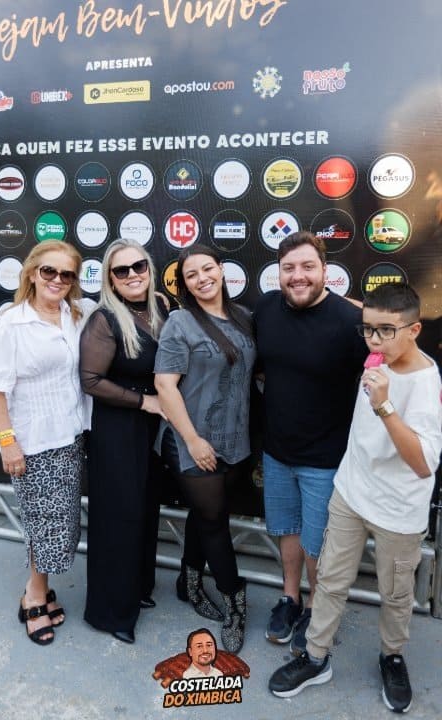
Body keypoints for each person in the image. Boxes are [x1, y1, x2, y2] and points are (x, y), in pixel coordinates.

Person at [268, 283, 442, 713]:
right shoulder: (379, 345)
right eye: (367, 330)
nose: (374, 341)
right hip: (350, 492)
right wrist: (322, 288)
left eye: (386, 331)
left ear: (415, 330)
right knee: (328, 579)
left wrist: (384, 406)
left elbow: (424, 464)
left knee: (396, 593)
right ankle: (316, 657)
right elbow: (375, 314)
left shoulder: (425, 380)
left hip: (399, 509)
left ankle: (391, 656)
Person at [254, 231, 367, 655]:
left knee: (319, 544)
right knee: (287, 530)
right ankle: (291, 598)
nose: (297, 276)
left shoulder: (351, 321)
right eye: (288, 268)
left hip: (326, 458)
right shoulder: (266, 308)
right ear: (278, 273)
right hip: (277, 452)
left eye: (307, 267)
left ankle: (319, 609)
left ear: (325, 271)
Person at [0, 241, 92, 646]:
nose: (57, 280)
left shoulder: (77, 314)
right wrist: (8, 442)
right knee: (42, 524)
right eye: (49, 271)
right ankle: (34, 596)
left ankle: (39, 588)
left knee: (60, 522)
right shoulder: (10, 325)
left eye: (67, 274)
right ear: (31, 273)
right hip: (32, 442)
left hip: (70, 435)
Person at [154, 244, 256, 654]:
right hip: (189, 440)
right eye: (191, 275)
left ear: (221, 270)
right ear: (183, 283)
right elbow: (164, 386)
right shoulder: (180, 322)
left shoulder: (244, 316)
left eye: (207, 269)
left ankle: (189, 583)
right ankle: (235, 604)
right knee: (215, 522)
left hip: (234, 440)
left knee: (206, 514)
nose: (202, 279)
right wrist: (193, 441)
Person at [80, 239, 168, 644]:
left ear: (149, 269)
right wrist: (143, 401)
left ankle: (137, 589)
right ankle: (110, 612)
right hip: (117, 429)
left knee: (145, 510)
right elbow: (90, 380)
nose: (132, 275)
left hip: (150, 430)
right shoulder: (104, 319)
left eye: (138, 266)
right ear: (110, 280)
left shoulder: (161, 308)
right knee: (119, 517)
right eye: (121, 270)